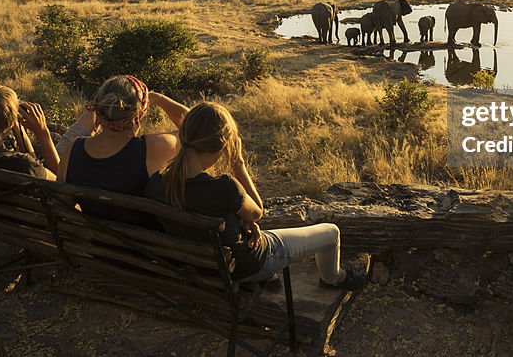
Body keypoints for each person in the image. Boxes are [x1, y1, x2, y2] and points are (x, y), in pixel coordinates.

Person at [144, 102, 366, 290]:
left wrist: (240, 221)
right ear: (224, 145)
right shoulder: (225, 187)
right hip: (245, 266)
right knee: (331, 233)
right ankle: (333, 278)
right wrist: (238, 165)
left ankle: (270, 278)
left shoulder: (156, 183)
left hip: (197, 267)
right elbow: (258, 211)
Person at [57, 75, 186, 226]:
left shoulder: (74, 149)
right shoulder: (153, 147)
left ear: (98, 110)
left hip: (94, 245)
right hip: (142, 248)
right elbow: (199, 128)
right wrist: (159, 98)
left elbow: (62, 206)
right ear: (140, 114)